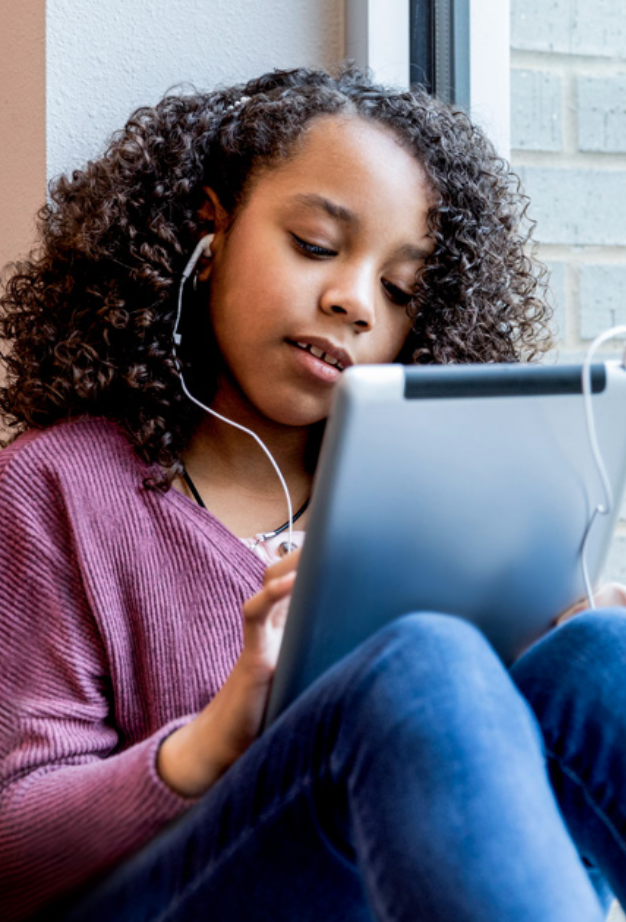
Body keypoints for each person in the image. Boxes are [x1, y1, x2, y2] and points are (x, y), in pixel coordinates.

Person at [0, 65, 625, 922]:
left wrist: (531, 641)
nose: (354, 302)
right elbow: (13, 845)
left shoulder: (421, 508)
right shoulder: (53, 487)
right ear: (206, 232)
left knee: (597, 654)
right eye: (317, 246)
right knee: (419, 661)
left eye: (400, 289)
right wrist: (214, 738)